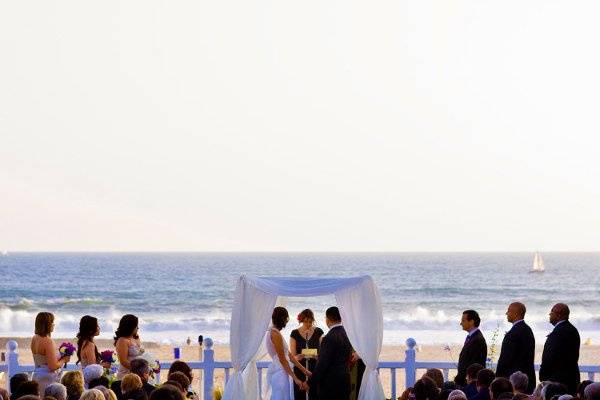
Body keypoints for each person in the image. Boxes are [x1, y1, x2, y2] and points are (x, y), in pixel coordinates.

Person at [305, 306, 353, 400]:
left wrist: (309, 383)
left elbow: (322, 365)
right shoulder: (347, 334)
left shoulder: (328, 338)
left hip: (331, 386)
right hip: (345, 382)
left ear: (327, 319)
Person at [264, 307, 310, 400]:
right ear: (282, 319)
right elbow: (283, 359)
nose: (286, 321)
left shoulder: (274, 332)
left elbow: (289, 355)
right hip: (280, 373)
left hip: (282, 371)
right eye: (286, 319)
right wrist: (295, 378)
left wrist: (304, 370)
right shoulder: (275, 334)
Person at [539, 304, 581, 395]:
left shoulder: (560, 332)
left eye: (552, 312)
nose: (549, 315)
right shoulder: (571, 329)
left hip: (558, 381)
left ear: (559, 315)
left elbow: (551, 356)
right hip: (570, 378)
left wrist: (543, 375)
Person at [496, 303, 536, 394]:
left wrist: (498, 377)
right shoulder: (528, 330)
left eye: (509, 311)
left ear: (516, 314)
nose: (506, 313)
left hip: (514, 380)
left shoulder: (513, 333)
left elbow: (505, 358)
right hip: (527, 378)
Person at [31, 312, 71, 394]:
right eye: (52, 322)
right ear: (47, 324)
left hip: (37, 374)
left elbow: (42, 359)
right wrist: (64, 359)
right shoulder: (48, 341)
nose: (54, 325)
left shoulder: (34, 338)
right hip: (47, 378)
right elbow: (52, 366)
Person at [289, 309, 324, 400]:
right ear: (301, 321)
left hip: (314, 369)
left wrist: (317, 356)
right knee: (300, 395)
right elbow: (292, 356)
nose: (308, 324)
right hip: (300, 369)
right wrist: (298, 357)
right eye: (305, 322)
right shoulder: (294, 333)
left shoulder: (318, 332)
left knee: (315, 395)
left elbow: (324, 352)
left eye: (310, 321)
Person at [455, 310, 487, 387]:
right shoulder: (472, 337)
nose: (461, 323)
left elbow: (474, 364)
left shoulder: (477, 340)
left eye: (463, 321)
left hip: (470, 383)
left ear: (471, 321)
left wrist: (462, 379)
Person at [114, 314, 144, 379]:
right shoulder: (122, 340)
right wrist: (137, 370)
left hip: (139, 373)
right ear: (130, 327)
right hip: (127, 373)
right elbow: (123, 361)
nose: (138, 328)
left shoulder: (136, 338)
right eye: (136, 326)